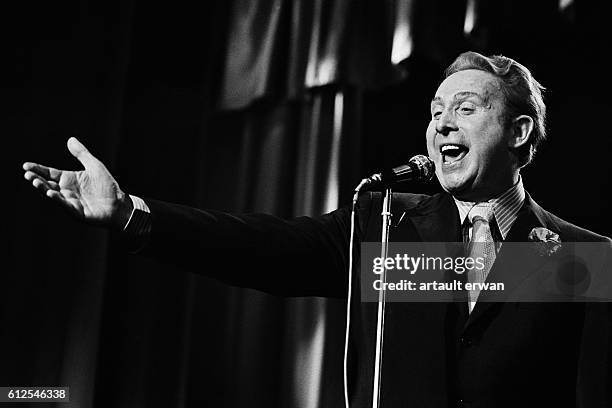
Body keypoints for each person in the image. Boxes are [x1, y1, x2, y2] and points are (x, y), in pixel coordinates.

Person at [22, 51, 612, 407]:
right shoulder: (387, 224)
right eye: (434, 111)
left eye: (465, 107)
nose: (439, 125)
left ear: (518, 131)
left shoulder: (578, 258)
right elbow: (266, 246)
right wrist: (132, 214)